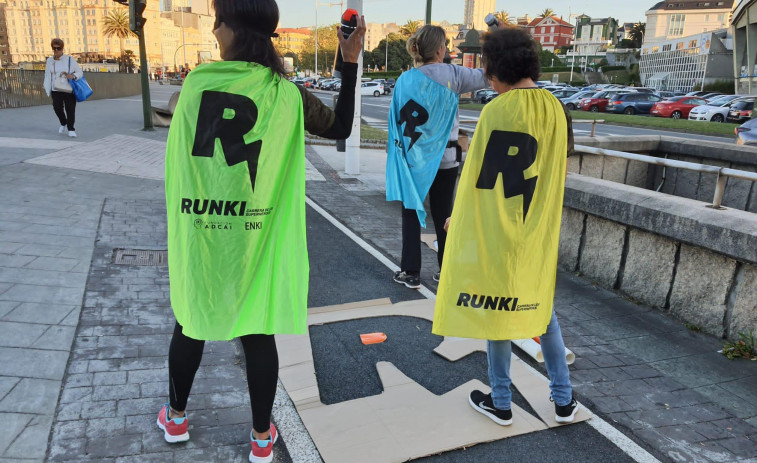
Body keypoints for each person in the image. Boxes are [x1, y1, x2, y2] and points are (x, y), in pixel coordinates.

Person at [160, 1, 365, 462]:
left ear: (232, 30)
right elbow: (343, 125)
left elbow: (175, 118)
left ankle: (175, 417)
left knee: (191, 321)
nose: (213, 28)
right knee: (258, 332)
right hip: (256, 239)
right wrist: (348, 63)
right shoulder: (288, 96)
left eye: (218, 20)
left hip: (205, 237)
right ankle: (260, 439)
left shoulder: (195, 84)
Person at [432, 27, 578, 426]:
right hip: (537, 233)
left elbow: (478, 179)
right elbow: (559, 171)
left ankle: (501, 401)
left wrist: (457, 220)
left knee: (496, 312)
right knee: (540, 310)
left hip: (498, 231)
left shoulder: (496, 111)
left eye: (488, 74)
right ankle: (564, 401)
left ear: (497, 70)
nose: (489, 83)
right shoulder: (557, 109)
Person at [386, 25, 491, 290]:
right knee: (444, 214)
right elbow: (488, 76)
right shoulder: (454, 75)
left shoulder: (404, 80)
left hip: (414, 159)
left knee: (411, 210)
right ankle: (447, 271)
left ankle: (410, 271)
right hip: (446, 158)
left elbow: (396, 123)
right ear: (440, 50)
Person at [43, 38, 83, 138]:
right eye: (54, 48)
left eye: (58, 48)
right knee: (57, 107)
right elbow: (47, 75)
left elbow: (79, 72)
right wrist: (46, 86)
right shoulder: (49, 60)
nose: (56, 50)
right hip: (55, 89)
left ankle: (71, 129)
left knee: (70, 109)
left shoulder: (69, 59)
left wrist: (73, 76)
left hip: (68, 89)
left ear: (62, 48)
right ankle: (63, 122)